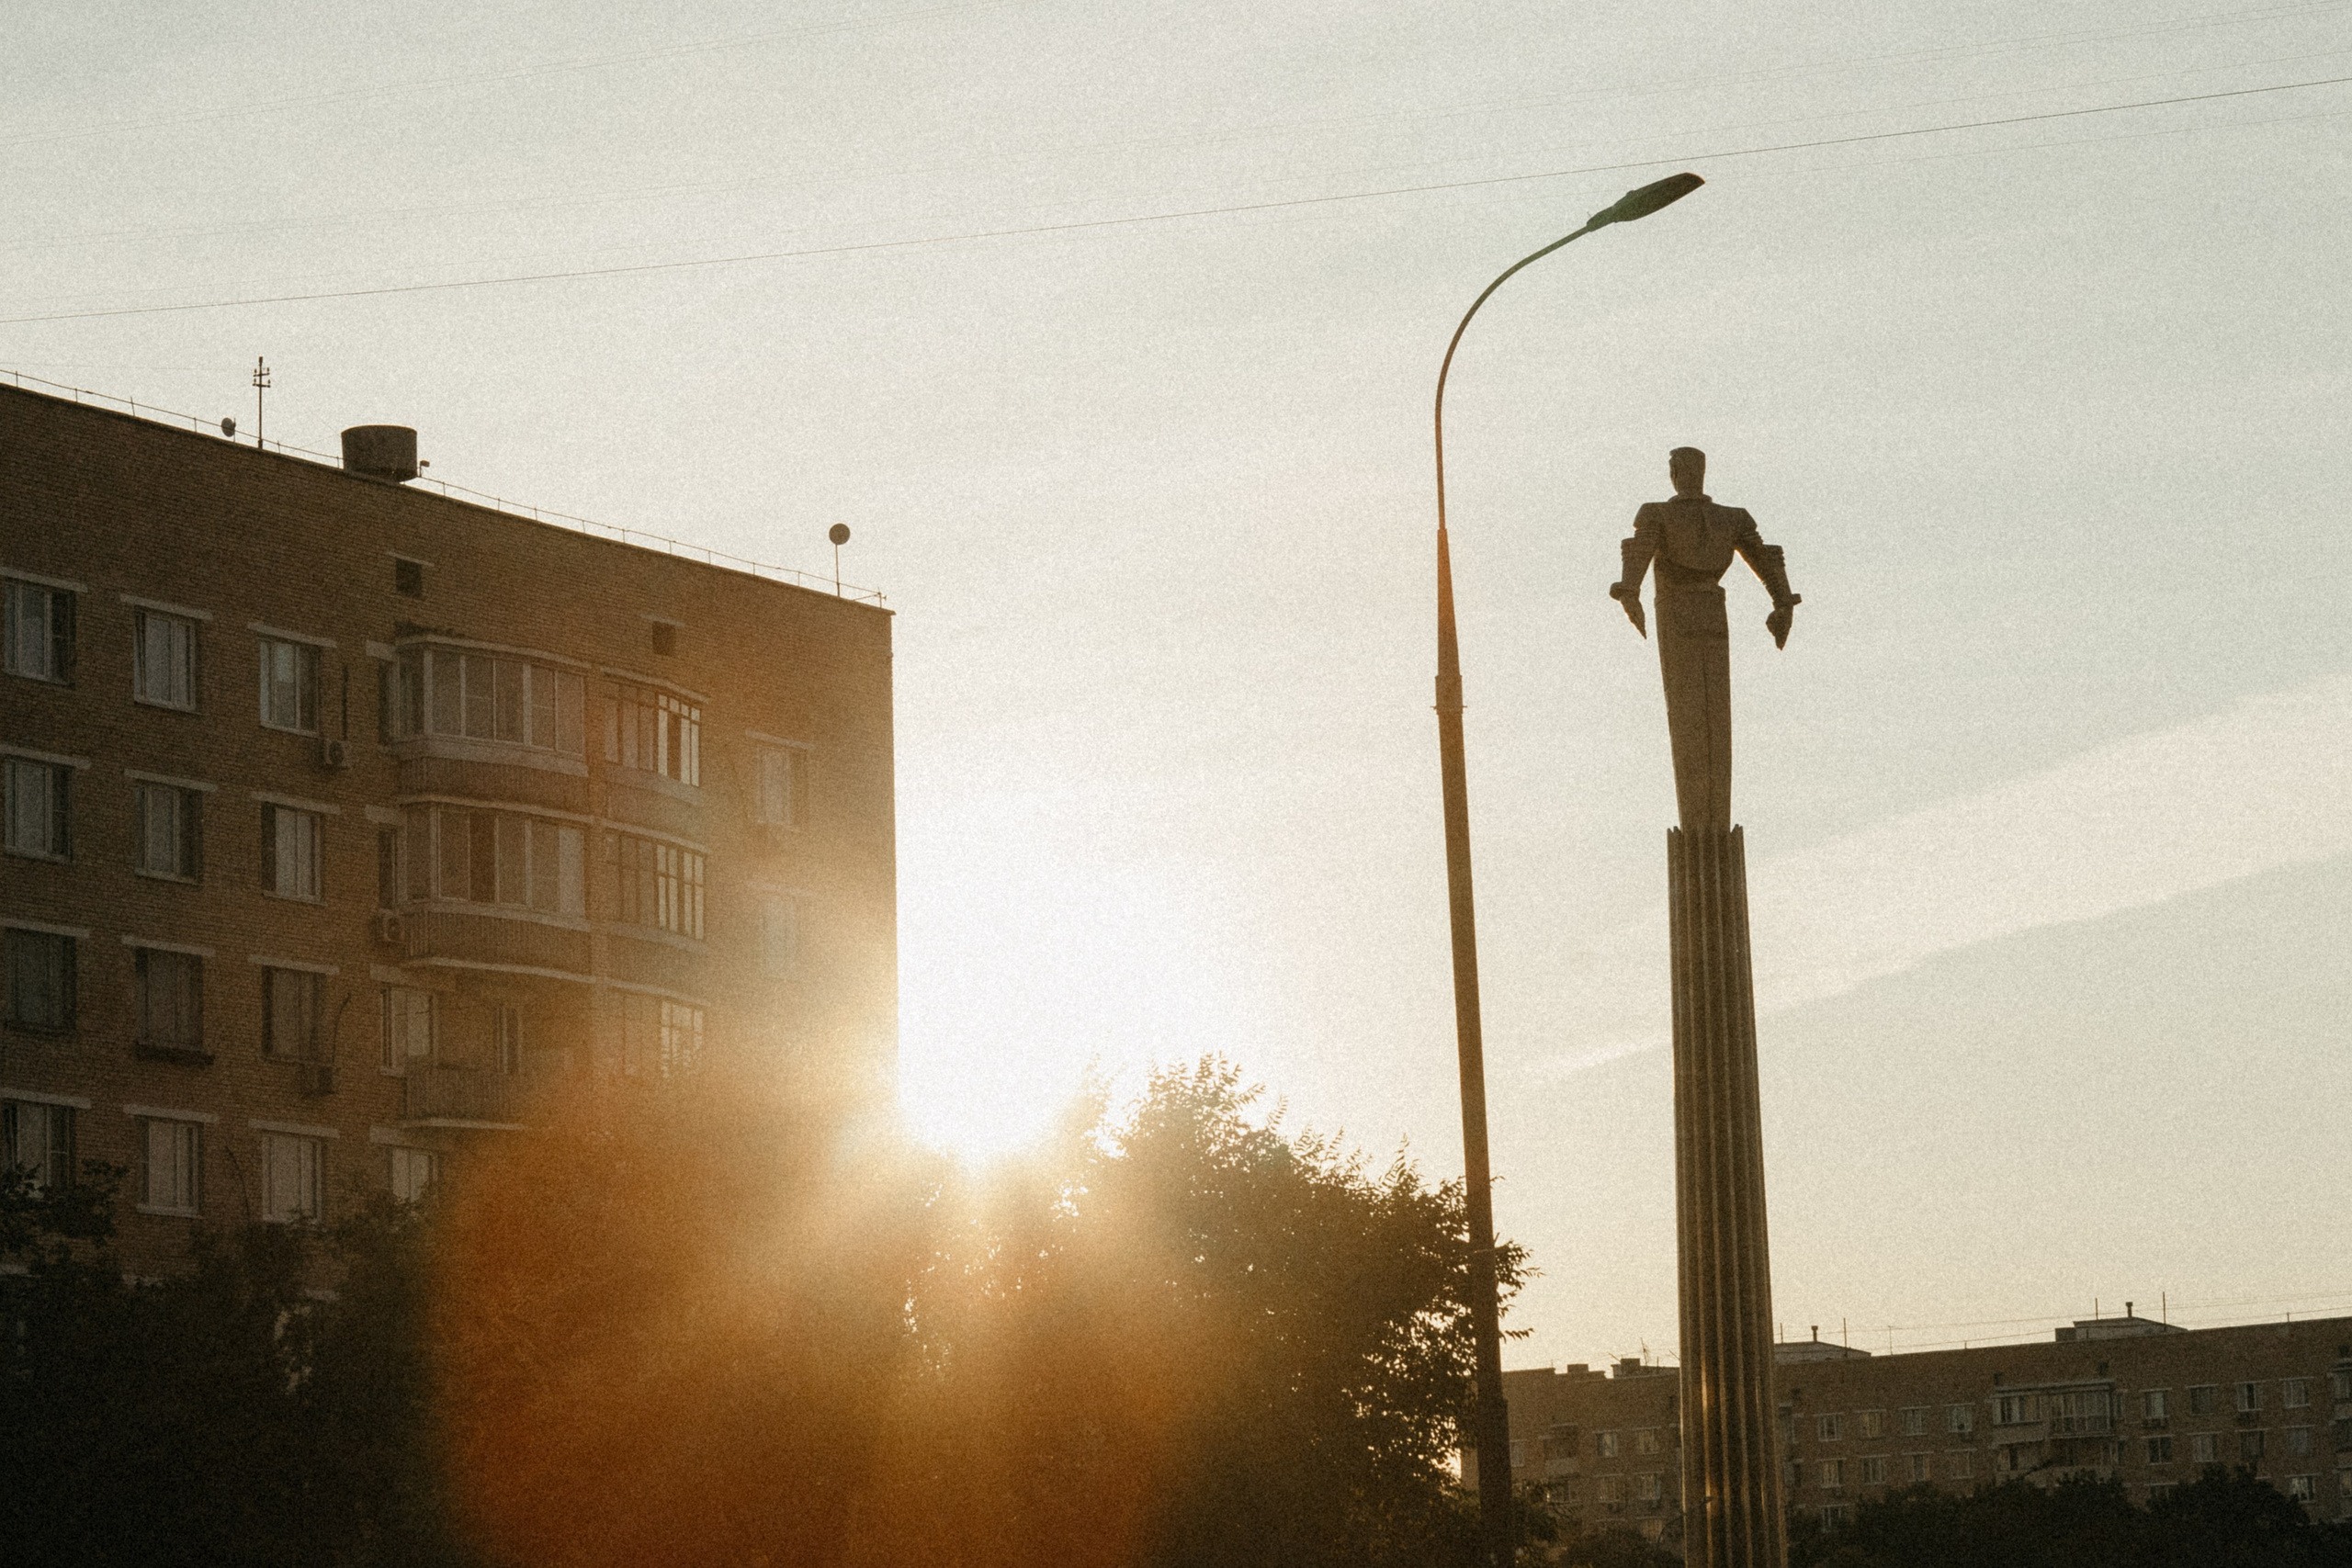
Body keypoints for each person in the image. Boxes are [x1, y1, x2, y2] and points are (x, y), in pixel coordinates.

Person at [1609, 447, 1800, 833]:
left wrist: (1630, 593)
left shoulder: (1656, 514)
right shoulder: (1731, 518)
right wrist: (1782, 603)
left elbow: (1638, 554)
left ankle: (1701, 826)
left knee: (1690, 711)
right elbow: (1766, 562)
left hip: (1677, 612)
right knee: (1713, 712)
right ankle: (1707, 825)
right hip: (1713, 609)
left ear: (1675, 472)